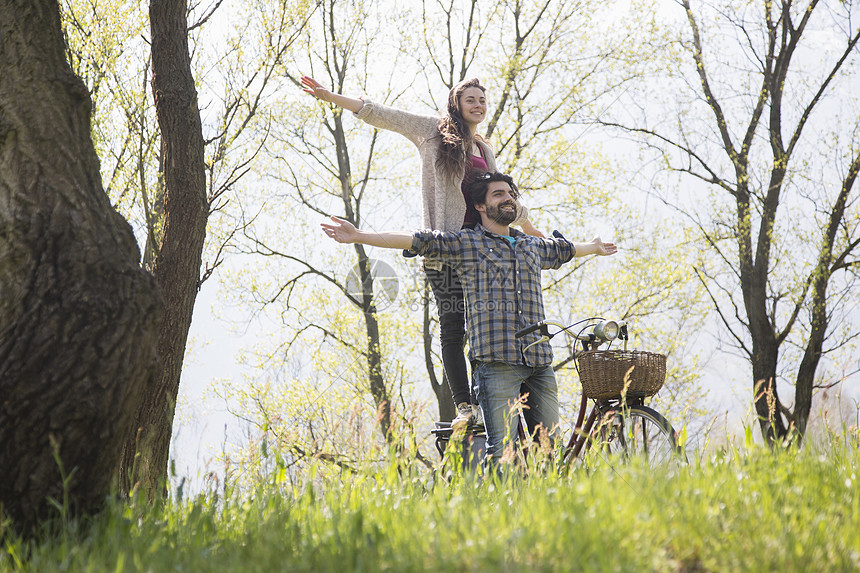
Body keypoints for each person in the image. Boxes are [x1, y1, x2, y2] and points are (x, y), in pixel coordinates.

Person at [321, 171, 618, 467]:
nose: (507, 199)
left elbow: (566, 250)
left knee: (549, 453)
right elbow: (416, 240)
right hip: (497, 365)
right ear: (479, 206)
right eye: (498, 194)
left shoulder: (532, 246)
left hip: (540, 363)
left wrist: (594, 247)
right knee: (503, 455)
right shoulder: (467, 244)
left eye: (510, 194)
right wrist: (359, 235)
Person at [302, 75, 544, 428]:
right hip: (446, 248)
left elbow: (499, 197)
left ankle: (489, 396)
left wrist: (527, 224)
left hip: (482, 250)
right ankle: (464, 406)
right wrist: (331, 96)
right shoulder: (434, 132)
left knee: (486, 325)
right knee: (453, 326)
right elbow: (380, 113)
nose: (478, 105)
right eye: (471, 99)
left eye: (482, 100)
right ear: (457, 104)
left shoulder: (485, 149)